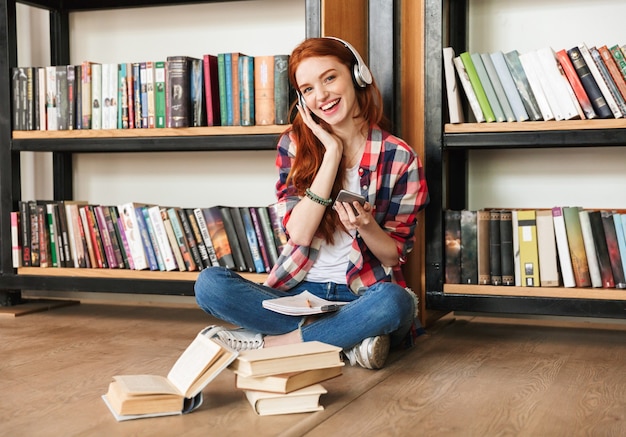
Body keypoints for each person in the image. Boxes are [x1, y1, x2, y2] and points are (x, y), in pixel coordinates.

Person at [195, 37, 429, 369]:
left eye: (330, 78)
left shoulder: (400, 157)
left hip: (361, 296)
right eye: (307, 89)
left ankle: (276, 345)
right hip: (297, 294)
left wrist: (366, 225)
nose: (321, 96)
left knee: (396, 303)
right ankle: (347, 342)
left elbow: (394, 254)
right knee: (210, 285)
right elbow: (300, 233)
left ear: (356, 75)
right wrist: (331, 153)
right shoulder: (294, 145)